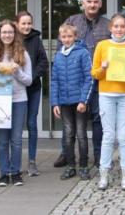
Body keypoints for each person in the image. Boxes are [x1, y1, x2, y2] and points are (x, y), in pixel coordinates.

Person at [58, 0, 111, 168]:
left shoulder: (107, 24)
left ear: (100, 4)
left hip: (99, 80)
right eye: (89, 1)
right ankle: (66, 154)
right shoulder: (72, 21)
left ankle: (98, 156)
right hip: (75, 80)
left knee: (97, 118)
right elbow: (61, 48)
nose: (92, 5)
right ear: (83, 3)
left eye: (95, 2)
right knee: (70, 122)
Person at [91, 14, 125, 191]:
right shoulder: (102, 46)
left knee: (124, 136)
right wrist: (103, 68)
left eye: (122, 27)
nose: (119, 30)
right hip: (106, 94)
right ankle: (103, 174)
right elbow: (94, 74)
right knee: (108, 136)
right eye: (116, 26)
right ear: (110, 28)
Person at [0, 20, 33, 187]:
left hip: (19, 100)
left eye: (10, 32)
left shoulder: (23, 54)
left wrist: (17, 72)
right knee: (2, 140)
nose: (7, 35)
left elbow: (28, 81)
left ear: (15, 35)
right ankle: (4, 173)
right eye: (4, 32)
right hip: (0, 101)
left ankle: (15, 172)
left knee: (16, 139)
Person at [50, 24, 94, 181]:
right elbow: (54, 80)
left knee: (81, 134)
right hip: (64, 102)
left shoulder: (83, 53)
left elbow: (89, 78)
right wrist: (55, 103)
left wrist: (84, 100)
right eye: (64, 37)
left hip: (79, 102)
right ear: (60, 38)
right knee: (68, 135)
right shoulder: (58, 56)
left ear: (75, 37)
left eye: (70, 36)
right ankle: (70, 166)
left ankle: (83, 166)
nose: (67, 39)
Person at [16, 11, 49, 177]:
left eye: (29, 23)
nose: (27, 26)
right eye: (23, 23)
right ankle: (15, 162)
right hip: (15, 89)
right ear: (17, 24)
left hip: (33, 88)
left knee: (31, 123)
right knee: (16, 126)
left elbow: (43, 61)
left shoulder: (36, 40)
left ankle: (32, 161)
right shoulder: (11, 39)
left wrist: (32, 77)